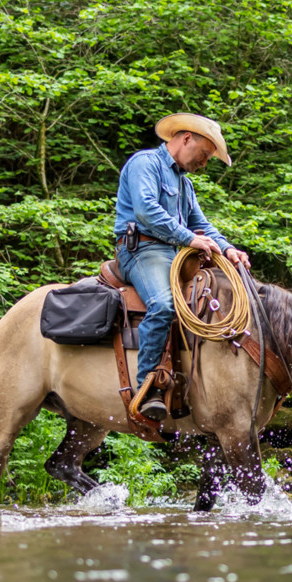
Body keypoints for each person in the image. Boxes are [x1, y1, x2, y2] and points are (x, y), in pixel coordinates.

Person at [113, 113, 251, 421]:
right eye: (204, 154)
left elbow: (201, 224)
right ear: (186, 138)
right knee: (163, 305)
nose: (204, 163)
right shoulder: (145, 163)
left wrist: (228, 249)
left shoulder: (184, 185)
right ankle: (148, 387)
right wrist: (190, 239)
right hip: (140, 250)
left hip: (171, 253)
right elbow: (146, 211)